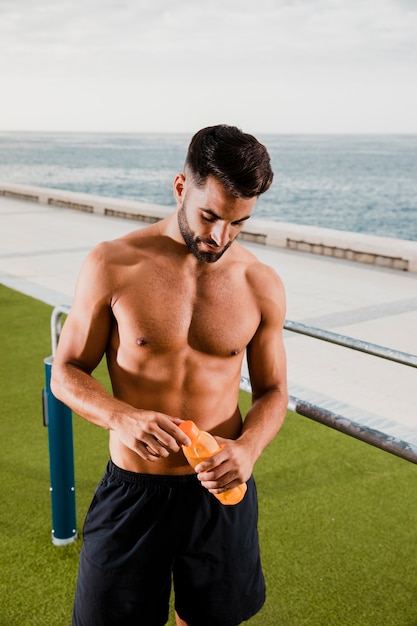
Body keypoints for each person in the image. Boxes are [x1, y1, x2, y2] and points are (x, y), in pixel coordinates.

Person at [51, 124, 288, 626]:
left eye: (239, 223)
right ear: (181, 187)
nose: (220, 237)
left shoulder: (261, 284)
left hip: (220, 494)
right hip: (135, 489)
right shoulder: (113, 263)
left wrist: (247, 450)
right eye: (210, 215)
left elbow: (272, 391)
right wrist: (121, 418)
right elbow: (66, 371)